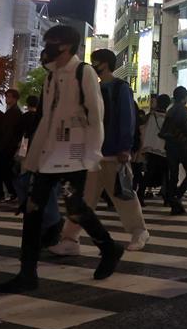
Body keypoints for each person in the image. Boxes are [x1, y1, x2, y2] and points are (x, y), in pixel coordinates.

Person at [0, 25, 123, 292]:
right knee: (32, 210)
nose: (47, 47)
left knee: (75, 209)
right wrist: (31, 159)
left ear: (66, 46)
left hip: (74, 155)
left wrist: (92, 155)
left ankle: (109, 247)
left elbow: (96, 116)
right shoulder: (51, 76)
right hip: (48, 155)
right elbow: (46, 120)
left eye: (51, 42)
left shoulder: (83, 72)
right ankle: (27, 273)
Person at [53, 48, 149, 253]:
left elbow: (127, 119)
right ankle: (70, 239)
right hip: (93, 153)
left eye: (96, 61)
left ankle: (139, 231)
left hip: (113, 152)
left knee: (124, 196)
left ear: (105, 63)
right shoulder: (93, 88)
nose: (93, 65)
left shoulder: (120, 87)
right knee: (83, 198)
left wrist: (125, 147)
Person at [161, 87, 187, 215]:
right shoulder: (182, 109)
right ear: (184, 97)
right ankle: (176, 196)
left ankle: (173, 203)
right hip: (182, 145)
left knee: (173, 175)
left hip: (170, 146)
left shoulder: (170, 109)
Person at [0, 88, 22, 203]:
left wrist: (3, 145)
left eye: (9, 97)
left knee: (2, 171)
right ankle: (7, 193)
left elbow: (9, 131)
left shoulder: (15, 112)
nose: (7, 99)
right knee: (2, 171)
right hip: (5, 146)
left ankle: (7, 194)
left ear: (15, 98)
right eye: (7, 96)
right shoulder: (11, 111)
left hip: (6, 147)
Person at [141, 95, 169, 199]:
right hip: (163, 149)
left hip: (151, 148)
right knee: (166, 173)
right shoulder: (167, 117)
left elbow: (146, 131)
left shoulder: (151, 116)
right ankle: (166, 197)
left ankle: (141, 194)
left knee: (149, 172)